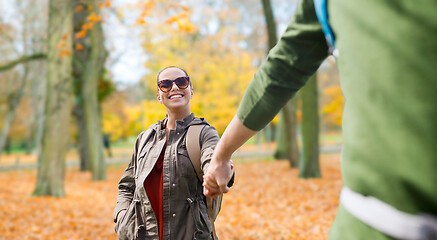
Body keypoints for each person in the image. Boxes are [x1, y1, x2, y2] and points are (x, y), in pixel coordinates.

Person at [203, 0, 437, 239]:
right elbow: (279, 70)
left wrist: (221, 157)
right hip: (373, 223)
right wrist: (221, 155)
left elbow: (279, 71)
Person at [114, 66, 227, 240]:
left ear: (191, 90)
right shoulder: (145, 138)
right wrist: (122, 218)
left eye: (181, 82)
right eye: (165, 84)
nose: (174, 87)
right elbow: (127, 187)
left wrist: (219, 171)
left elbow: (213, 161)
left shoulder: (205, 133)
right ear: (159, 96)